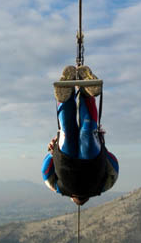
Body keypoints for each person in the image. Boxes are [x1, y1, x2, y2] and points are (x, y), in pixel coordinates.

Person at [42, 65, 118, 205]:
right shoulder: (60, 189)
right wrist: (51, 153)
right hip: (65, 165)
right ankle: (65, 98)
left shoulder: (101, 188)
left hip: (92, 163)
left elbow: (114, 168)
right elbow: (46, 172)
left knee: (88, 131)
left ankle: (87, 95)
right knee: (67, 129)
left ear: (87, 198)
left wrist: (103, 148)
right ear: (72, 198)